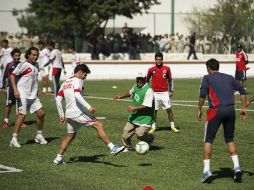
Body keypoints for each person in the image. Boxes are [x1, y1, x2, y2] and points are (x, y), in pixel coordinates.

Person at [53, 64, 124, 164]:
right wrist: (88, 106)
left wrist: (61, 115)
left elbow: (58, 99)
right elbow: (77, 94)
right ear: (80, 72)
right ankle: (113, 148)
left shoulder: (65, 82)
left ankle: (58, 158)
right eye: (85, 75)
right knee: (98, 125)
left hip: (69, 114)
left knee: (70, 136)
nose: (85, 77)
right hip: (77, 113)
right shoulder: (78, 80)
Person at [198, 58, 247, 183]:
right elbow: (242, 91)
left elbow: (202, 95)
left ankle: (207, 171)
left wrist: (199, 109)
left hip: (216, 111)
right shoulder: (229, 77)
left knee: (208, 139)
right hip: (230, 110)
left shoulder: (207, 78)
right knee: (229, 139)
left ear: (209, 68)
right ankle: (237, 167)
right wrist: (243, 108)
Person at [9, 47, 48, 148]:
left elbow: (34, 79)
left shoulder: (36, 65)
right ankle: (14, 139)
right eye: (33, 55)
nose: (35, 57)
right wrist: (15, 90)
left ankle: (39, 135)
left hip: (33, 95)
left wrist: (38, 89)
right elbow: (12, 76)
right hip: (22, 93)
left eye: (37, 55)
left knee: (41, 113)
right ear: (28, 55)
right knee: (22, 115)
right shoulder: (24, 64)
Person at [113, 73, 155, 152]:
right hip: (135, 115)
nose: (139, 81)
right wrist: (120, 97)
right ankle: (127, 147)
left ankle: (150, 138)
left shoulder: (149, 90)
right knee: (125, 133)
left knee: (140, 135)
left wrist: (134, 108)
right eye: (138, 79)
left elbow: (146, 105)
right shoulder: (135, 86)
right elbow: (130, 92)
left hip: (145, 118)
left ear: (145, 78)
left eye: (141, 79)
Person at [146, 52, 179, 134]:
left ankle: (172, 127)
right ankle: (153, 127)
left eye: (160, 59)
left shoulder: (167, 69)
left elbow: (170, 80)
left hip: (164, 93)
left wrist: (171, 90)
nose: (158, 61)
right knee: (154, 111)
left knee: (169, 109)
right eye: (157, 59)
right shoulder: (151, 69)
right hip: (154, 93)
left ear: (162, 59)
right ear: (155, 60)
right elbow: (146, 80)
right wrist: (147, 90)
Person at [2, 48, 27, 128]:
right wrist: (3, 86)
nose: (17, 57)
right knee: (9, 105)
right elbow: (5, 76)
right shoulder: (9, 65)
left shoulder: (22, 64)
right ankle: (5, 122)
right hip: (10, 88)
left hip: (19, 87)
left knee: (20, 105)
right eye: (15, 55)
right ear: (12, 56)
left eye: (18, 55)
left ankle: (19, 121)